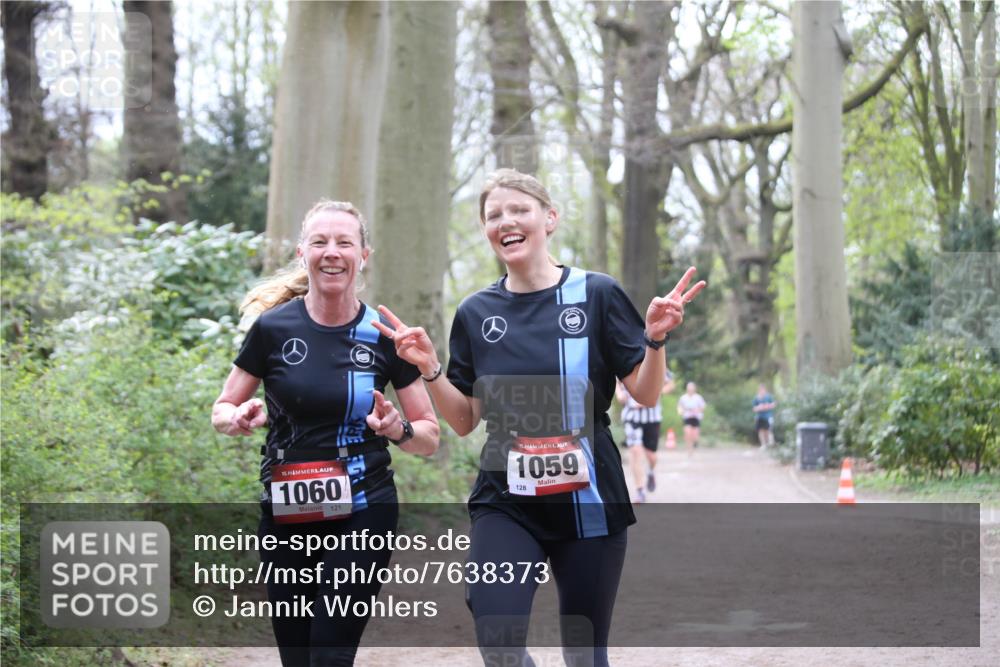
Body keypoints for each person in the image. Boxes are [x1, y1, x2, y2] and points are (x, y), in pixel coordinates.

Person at [371, 169, 705, 667]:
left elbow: (645, 390)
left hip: (589, 495)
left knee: (585, 655)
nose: (506, 221)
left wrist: (654, 340)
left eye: (518, 210)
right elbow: (464, 420)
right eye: (493, 215)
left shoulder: (597, 294)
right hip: (506, 498)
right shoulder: (476, 312)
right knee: (497, 638)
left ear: (549, 219)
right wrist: (430, 369)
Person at [211, 200, 439, 667]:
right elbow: (223, 406)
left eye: (344, 242)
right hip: (287, 511)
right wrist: (236, 417)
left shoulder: (384, 335)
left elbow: (429, 437)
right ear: (303, 252)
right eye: (320, 242)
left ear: (363, 255)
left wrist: (398, 428)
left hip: (363, 507)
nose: (331, 252)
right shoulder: (273, 329)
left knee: (330, 654)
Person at [616, 370, 675, 503]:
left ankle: (651, 472)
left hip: (652, 417)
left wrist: (654, 393)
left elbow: (670, 384)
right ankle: (640, 490)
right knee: (635, 451)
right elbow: (616, 381)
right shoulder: (623, 356)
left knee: (651, 456)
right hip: (631, 417)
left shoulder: (653, 357)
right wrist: (619, 394)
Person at [677, 382, 707, 455]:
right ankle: (689, 449)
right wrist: (680, 411)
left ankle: (694, 444)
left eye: (692, 388)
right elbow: (679, 406)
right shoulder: (683, 397)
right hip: (687, 417)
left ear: (694, 389)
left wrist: (697, 410)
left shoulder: (698, 397)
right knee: (687, 433)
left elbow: (703, 407)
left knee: (695, 436)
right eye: (689, 388)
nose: (690, 390)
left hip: (696, 418)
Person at [752, 383, 777, 449]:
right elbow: (754, 408)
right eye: (760, 389)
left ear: (765, 390)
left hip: (768, 417)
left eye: (763, 389)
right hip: (760, 417)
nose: (761, 391)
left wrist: (767, 406)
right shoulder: (756, 398)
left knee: (768, 431)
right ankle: (763, 445)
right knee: (760, 431)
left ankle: (770, 444)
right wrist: (759, 407)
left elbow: (773, 404)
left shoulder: (768, 397)